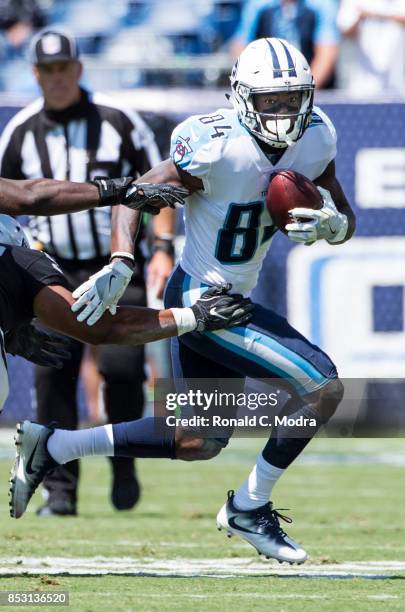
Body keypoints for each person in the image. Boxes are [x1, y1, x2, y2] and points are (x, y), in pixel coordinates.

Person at [43, 37, 355, 564]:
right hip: (205, 296)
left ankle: (55, 445)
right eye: (268, 101)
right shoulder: (213, 141)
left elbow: (344, 216)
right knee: (322, 385)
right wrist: (122, 261)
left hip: (234, 294)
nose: (281, 113)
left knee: (197, 439)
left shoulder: (318, 135)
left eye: (290, 99)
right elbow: (138, 193)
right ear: (240, 96)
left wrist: (333, 223)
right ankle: (249, 507)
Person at [0, 27, 176, 516]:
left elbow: (156, 185)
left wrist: (161, 246)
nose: (57, 78)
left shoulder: (119, 120)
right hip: (48, 264)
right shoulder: (19, 131)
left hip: (112, 261)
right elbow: (13, 200)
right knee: (53, 371)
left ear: (79, 68)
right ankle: (61, 492)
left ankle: (122, 463)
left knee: (121, 369)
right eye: (47, 70)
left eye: (64, 68)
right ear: (35, 74)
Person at [230, 0, 340, 89]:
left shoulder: (322, 5)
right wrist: (254, 84)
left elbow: (326, 55)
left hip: (313, 90)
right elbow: (241, 47)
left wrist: (306, 91)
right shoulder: (259, 5)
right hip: (264, 89)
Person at [337, 0, 405, 96]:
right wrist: (360, 17)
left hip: (398, 87)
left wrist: (376, 14)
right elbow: (346, 32)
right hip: (362, 88)